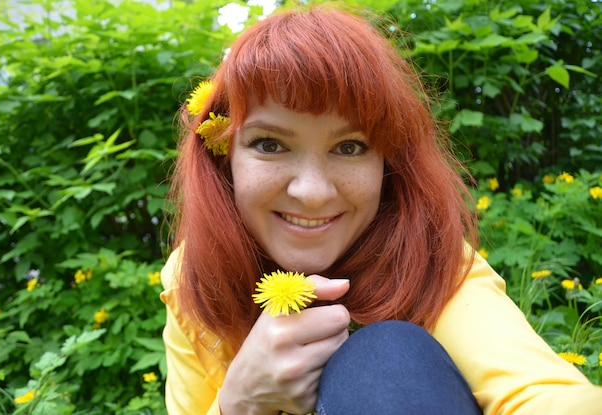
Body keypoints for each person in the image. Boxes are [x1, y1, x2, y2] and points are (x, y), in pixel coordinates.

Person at [159, 4, 602, 415]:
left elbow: (538, 391)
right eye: (270, 144)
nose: (312, 192)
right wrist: (238, 402)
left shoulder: (431, 259)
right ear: (224, 157)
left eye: (349, 147)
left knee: (383, 357)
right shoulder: (194, 274)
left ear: (388, 163)